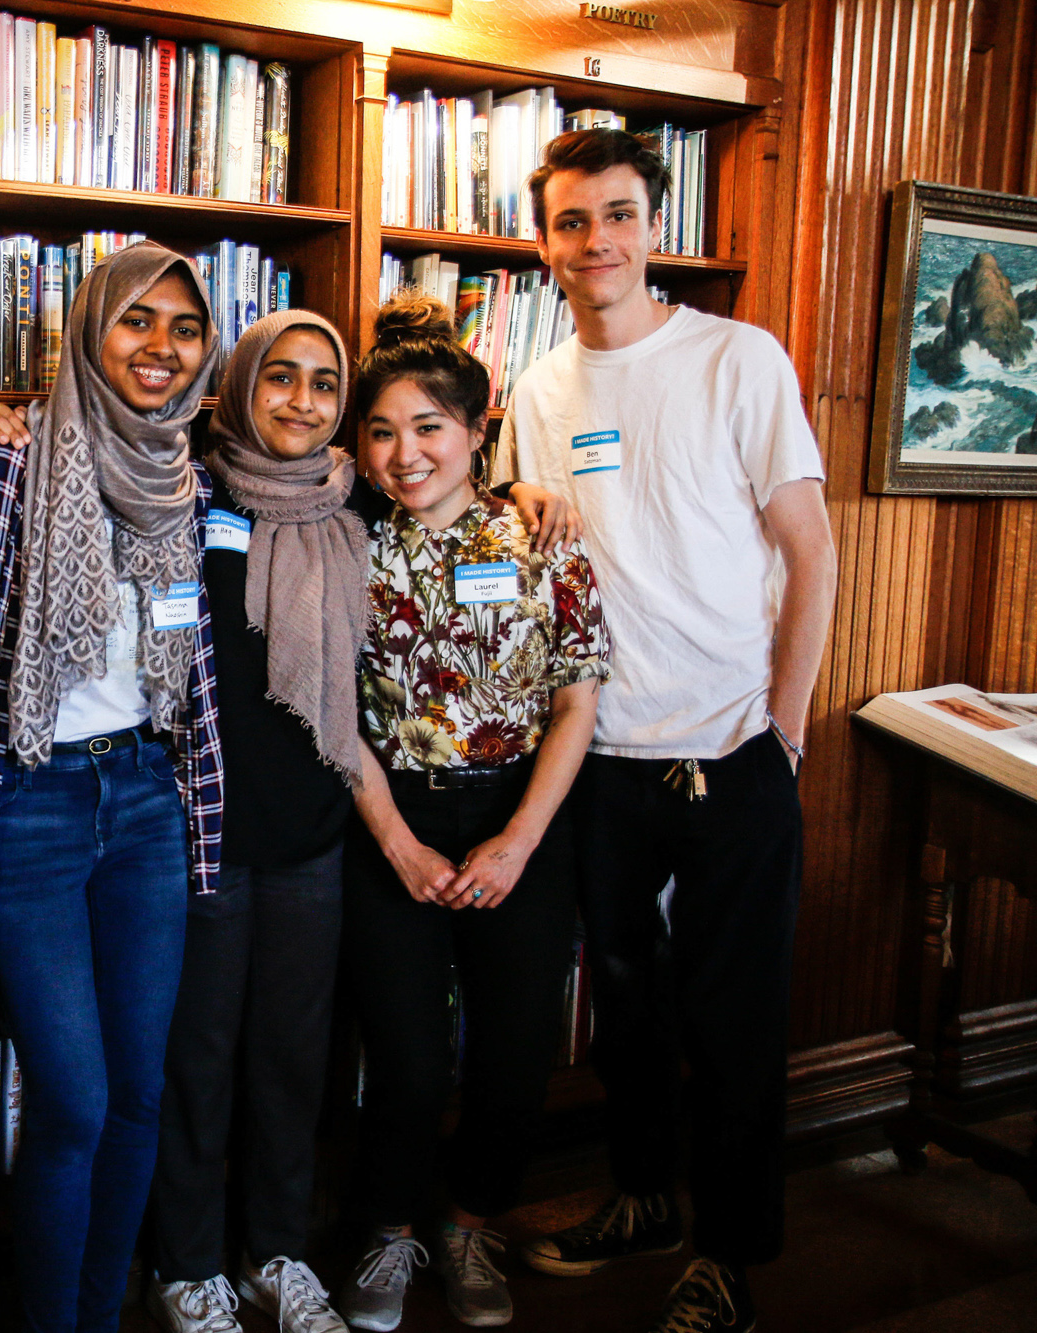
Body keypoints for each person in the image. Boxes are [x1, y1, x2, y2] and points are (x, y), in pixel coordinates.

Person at [494, 128, 836, 1333]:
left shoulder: (735, 359)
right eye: (572, 221)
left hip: (731, 749)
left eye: (620, 214)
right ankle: (641, 1194)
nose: (598, 242)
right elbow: (538, 560)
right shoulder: (535, 393)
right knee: (626, 1010)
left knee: (732, 1018)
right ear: (544, 243)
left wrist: (781, 735)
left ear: (654, 225)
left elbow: (808, 553)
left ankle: (729, 1257)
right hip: (596, 757)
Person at [0, 243, 223, 1333]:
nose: (159, 347)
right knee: (70, 1099)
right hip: (33, 803)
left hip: (148, 801)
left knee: (138, 1095)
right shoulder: (0, 462)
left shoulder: (187, 478)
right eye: (134, 320)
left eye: (182, 326)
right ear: (86, 330)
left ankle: (98, 1316)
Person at [337, 293, 608, 1332]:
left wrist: (515, 842)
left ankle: (466, 1221)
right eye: (381, 430)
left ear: (474, 431)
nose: (405, 453)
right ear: (359, 445)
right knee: (402, 1058)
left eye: (428, 427)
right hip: (387, 821)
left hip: (521, 816)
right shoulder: (342, 543)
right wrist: (397, 842)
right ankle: (389, 1232)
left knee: (509, 1053)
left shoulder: (540, 533)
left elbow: (577, 696)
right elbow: (328, 708)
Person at [145, 310, 364, 1333]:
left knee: (290, 1060)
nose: (302, 402)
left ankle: (274, 1253)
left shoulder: (358, 508)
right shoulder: (178, 493)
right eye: (279, 377)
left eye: (324, 383)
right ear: (235, 385)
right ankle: (187, 1265)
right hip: (201, 836)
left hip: (312, 841)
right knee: (196, 1058)